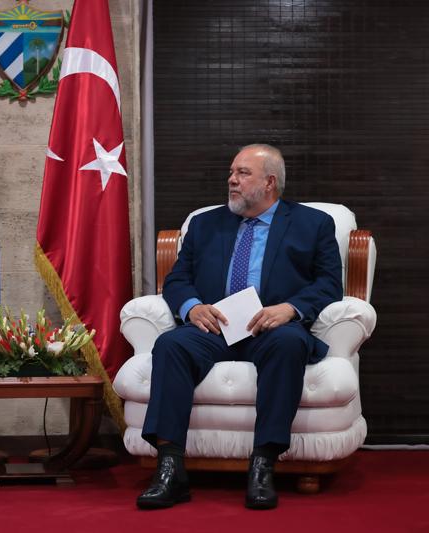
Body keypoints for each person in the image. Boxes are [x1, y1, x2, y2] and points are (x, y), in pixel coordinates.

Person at [137, 144, 343, 511]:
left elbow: (329, 283)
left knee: (289, 345)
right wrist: (192, 306)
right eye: (232, 172)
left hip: (270, 328)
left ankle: (263, 464)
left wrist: (290, 309)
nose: (232, 179)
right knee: (171, 345)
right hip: (216, 327)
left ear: (270, 182)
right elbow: (177, 279)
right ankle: (170, 469)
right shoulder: (205, 224)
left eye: (243, 173)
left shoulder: (313, 224)